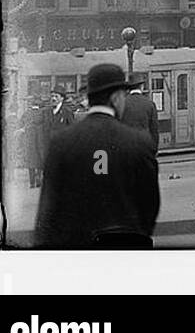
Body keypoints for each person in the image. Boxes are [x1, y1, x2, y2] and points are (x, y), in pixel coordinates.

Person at [34, 63, 160, 249]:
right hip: (126, 245)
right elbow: (150, 204)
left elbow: (48, 209)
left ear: (90, 97)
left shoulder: (61, 142)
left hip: (78, 247)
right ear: (116, 97)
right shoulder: (139, 142)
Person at [121, 78, 161, 152]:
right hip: (144, 146)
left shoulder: (122, 103)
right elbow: (154, 129)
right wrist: (154, 149)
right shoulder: (149, 104)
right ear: (141, 87)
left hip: (126, 146)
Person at [23, 101, 45, 189]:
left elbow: (22, 123)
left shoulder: (27, 113)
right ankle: (39, 179)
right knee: (39, 162)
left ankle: (32, 182)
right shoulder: (42, 114)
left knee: (31, 163)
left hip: (30, 142)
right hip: (39, 141)